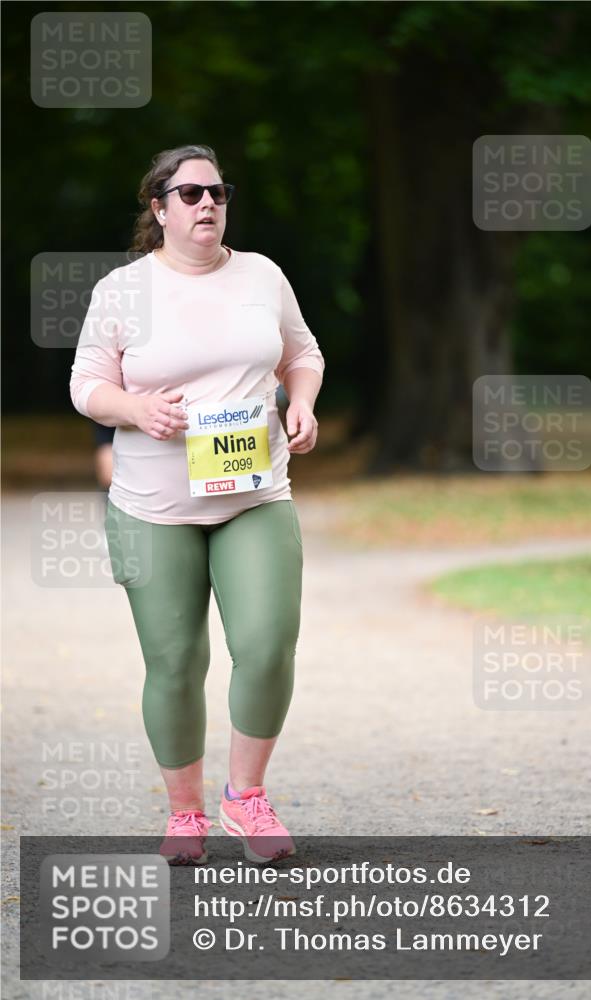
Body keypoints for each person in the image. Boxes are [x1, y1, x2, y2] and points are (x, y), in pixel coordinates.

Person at [69, 144, 324, 865]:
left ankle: (246, 799)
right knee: (175, 661)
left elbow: (301, 353)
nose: (207, 204)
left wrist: (300, 405)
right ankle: (185, 815)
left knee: (268, 644)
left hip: (253, 494)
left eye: (216, 192)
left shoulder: (260, 276)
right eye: (189, 195)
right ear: (159, 209)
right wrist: (136, 410)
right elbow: (86, 385)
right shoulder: (123, 290)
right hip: (153, 503)